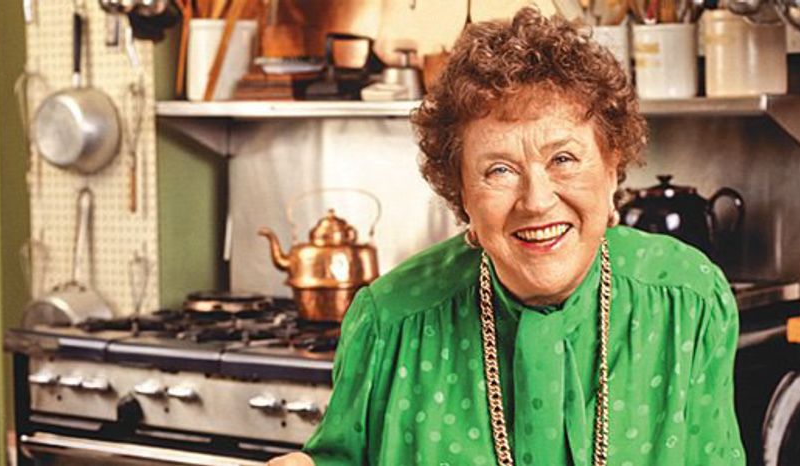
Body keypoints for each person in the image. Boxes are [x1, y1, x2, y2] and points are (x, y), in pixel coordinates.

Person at [269, 7, 744, 466]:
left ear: (611, 169)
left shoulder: (689, 300)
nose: (536, 201)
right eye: (499, 170)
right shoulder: (390, 320)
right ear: (461, 194)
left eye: (563, 159)